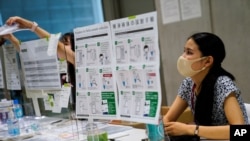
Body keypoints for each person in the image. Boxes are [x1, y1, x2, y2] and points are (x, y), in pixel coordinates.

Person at [163, 32, 248, 140]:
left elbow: (240, 132)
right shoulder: (189, 83)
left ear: (207, 61)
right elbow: (168, 119)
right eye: (184, 51)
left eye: (189, 52)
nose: (182, 57)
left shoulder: (223, 84)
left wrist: (191, 129)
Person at [5, 16, 75, 66]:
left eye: (66, 44)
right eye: (63, 44)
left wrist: (31, 26)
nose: (63, 47)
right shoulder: (55, 64)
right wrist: (10, 37)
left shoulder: (80, 60)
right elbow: (28, 54)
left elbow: (57, 46)